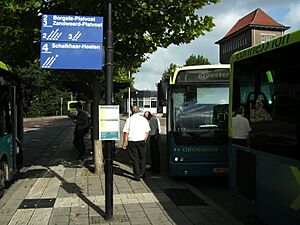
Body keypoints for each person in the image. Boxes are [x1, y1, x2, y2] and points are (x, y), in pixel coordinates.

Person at [122, 105, 150, 181]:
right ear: (139, 110)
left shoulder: (129, 120)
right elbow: (147, 131)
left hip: (132, 141)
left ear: (131, 111)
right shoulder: (144, 119)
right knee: (143, 157)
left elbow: (126, 132)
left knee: (135, 159)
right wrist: (145, 139)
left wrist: (125, 142)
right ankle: (142, 173)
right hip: (141, 141)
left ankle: (137, 175)